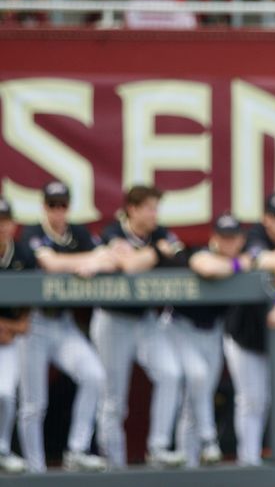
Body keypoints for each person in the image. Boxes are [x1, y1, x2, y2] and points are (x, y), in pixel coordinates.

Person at [18, 181, 112, 473]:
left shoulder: (78, 233)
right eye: (52, 205)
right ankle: (35, 468)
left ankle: (77, 449)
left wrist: (95, 263)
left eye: (62, 205)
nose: (58, 212)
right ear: (43, 206)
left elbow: (108, 257)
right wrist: (85, 262)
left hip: (63, 324)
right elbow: (50, 263)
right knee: (34, 403)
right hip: (34, 323)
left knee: (94, 375)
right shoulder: (33, 233)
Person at [91, 185, 186, 469]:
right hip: (112, 319)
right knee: (113, 398)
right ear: (132, 209)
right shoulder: (112, 232)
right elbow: (128, 265)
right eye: (150, 208)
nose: (155, 214)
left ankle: (157, 448)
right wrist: (157, 253)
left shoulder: (159, 233)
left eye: (156, 208)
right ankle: (113, 463)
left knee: (171, 373)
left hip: (145, 320)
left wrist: (148, 254)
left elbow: (180, 257)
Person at [223, 192, 275, 466]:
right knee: (252, 400)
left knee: (274, 400)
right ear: (266, 219)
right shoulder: (254, 235)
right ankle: (248, 464)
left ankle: (258, 460)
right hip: (243, 333)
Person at [174, 213, 247, 467]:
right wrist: (238, 265)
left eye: (233, 238)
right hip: (181, 328)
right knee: (198, 380)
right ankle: (206, 441)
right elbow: (206, 266)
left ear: (240, 239)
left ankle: (190, 462)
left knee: (198, 395)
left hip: (213, 331)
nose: (228, 243)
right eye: (223, 237)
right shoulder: (202, 252)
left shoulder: (246, 253)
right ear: (215, 238)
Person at [0, 197, 34, 474]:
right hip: (6, 330)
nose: (1, 227)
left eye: (5, 220)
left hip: (8, 339)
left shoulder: (23, 253)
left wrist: (10, 327)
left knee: (5, 394)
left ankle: (1, 449)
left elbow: (27, 317)